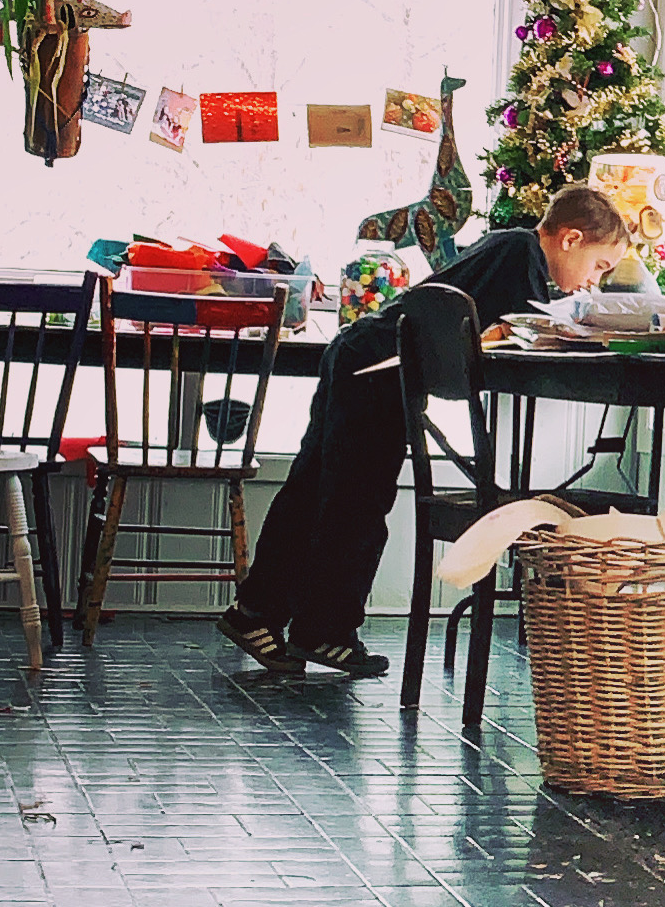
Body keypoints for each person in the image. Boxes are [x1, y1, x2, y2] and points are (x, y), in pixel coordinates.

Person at [219, 186, 629, 680]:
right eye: (599, 266)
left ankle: (259, 613)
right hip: (377, 368)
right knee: (356, 504)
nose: (592, 282)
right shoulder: (522, 254)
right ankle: (320, 630)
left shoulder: (508, 245)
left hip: (360, 354)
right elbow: (535, 326)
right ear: (570, 239)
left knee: (313, 491)